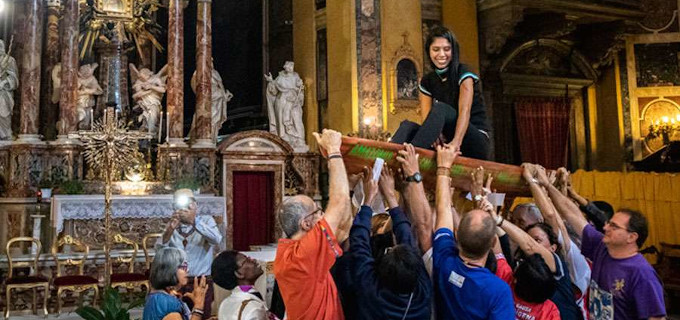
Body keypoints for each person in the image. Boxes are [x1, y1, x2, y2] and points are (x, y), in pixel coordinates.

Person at [535, 165, 667, 320]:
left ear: (632, 237)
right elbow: (573, 215)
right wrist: (547, 185)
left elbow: (656, 318)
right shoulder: (602, 247)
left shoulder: (642, 274)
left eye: (614, 226)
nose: (605, 227)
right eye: (609, 223)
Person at [273, 129, 352, 320]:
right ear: (306, 223)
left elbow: (344, 226)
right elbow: (339, 200)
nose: (323, 214)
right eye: (317, 211)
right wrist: (334, 151)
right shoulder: (303, 255)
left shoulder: (291, 251)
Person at [432, 144, 514, 319]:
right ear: (493, 243)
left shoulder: (444, 262)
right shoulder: (498, 291)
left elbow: (444, 209)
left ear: (456, 236)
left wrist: (443, 167)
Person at [392, 27, 490, 159]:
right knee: (407, 126)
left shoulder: (464, 72)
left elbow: (465, 110)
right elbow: (428, 119)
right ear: (429, 51)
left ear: (453, 51)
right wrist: (435, 136)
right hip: (447, 137)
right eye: (436, 49)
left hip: (474, 139)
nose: (442, 54)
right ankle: (382, 163)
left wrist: (456, 143)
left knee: (441, 108)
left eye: (447, 49)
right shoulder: (427, 81)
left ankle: (411, 160)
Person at [349, 166, 432, 319]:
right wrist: (390, 197)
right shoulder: (421, 293)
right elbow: (407, 240)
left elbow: (358, 242)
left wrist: (369, 198)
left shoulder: (370, 289)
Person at [160, 189, 223, 319]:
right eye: (179, 205)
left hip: (200, 281)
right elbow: (160, 249)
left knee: (201, 315)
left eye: (187, 204)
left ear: (194, 205)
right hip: (177, 281)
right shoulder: (172, 224)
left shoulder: (206, 220)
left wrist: (194, 222)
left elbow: (216, 239)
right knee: (176, 315)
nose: (183, 208)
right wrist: (170, 229)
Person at [143, 247, 208, 320]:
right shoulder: (166, 303)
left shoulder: (157, 297)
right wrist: (198, 307)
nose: (188, 270)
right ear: (169, 270)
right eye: (184, 267)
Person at [211, 251, 278, 320]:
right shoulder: (254, 309)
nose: (254, 260)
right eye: (247, 260)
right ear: (239, 274)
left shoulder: (224, 304)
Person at [265, 61, 307, 150]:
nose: (291, 68)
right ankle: (285, 141)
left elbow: (300, 90)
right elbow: (274, 91)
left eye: (292, 66)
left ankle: (299, 140)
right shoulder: (280, 78)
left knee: (297, 120)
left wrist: (301, 88)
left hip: (294, 102)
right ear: (285, 67)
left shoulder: (296, 76)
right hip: (281, 101)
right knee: (281, 122)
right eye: (289, 66)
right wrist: (271, 82)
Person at [130, 63, 168, 134]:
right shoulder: (139, 82)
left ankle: (152, 133)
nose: (140, 78)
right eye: (140, 77)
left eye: (142, 76)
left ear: (147, 75)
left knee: (152, 119)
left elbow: (163, 90)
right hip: (144, 105)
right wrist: (146, 91)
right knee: (145, 120)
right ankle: (147, 132)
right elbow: (136, 95)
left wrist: (151, 87)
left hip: (153, 103)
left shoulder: (156, 79)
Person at [76, 63, 103, 129]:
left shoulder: (92, 79)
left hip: (88, 101)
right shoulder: (78, 79)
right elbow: (74, 90)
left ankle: (85, 127)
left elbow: (98, 90)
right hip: (79, 101)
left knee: (87, 115)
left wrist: (87, 90)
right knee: (79, 114)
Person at [0, 39, 17, 140]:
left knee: (4, 115)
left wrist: (4, 83)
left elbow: (14, 78)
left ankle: (5, 135)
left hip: (3, 93)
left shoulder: (10, 60)